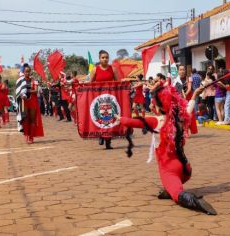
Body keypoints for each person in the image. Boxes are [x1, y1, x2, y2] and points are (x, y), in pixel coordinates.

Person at [118, 85, 217, 215]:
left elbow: (131, 122)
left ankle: (195, 202)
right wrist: (194, 94)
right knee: (172, 185)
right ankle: (169, 188)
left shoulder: (156, 121)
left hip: (169, 169)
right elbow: (189, 108)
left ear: (160, 107)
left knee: (177, 193)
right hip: (185, 169)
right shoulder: (181, 118)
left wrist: (117, 118)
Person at [89, 50, 118, 149]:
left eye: (106, 57)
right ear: (99, 58)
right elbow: (90, 84)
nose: (105, 59)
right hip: (98, 98)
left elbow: (118, 84)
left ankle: (108, 142)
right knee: (100, 118)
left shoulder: (113, 69)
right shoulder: (95, 70)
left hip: (110, 98)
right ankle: (100, 135)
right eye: (103, 57)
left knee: (110, 119)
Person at [16, 65, 44, 144]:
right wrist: (22, 93)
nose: (27, 73)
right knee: (25, 119)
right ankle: (26, 135)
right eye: (26, 71)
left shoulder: (34, 80)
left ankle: (31, 137)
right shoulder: (20, 81)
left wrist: (26, 91)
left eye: (28, 71)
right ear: (24, 72)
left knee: (32, 119)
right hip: (24, 102)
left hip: (32, 101)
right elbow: (18, 91)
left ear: (30, 72)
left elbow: (35, 91)